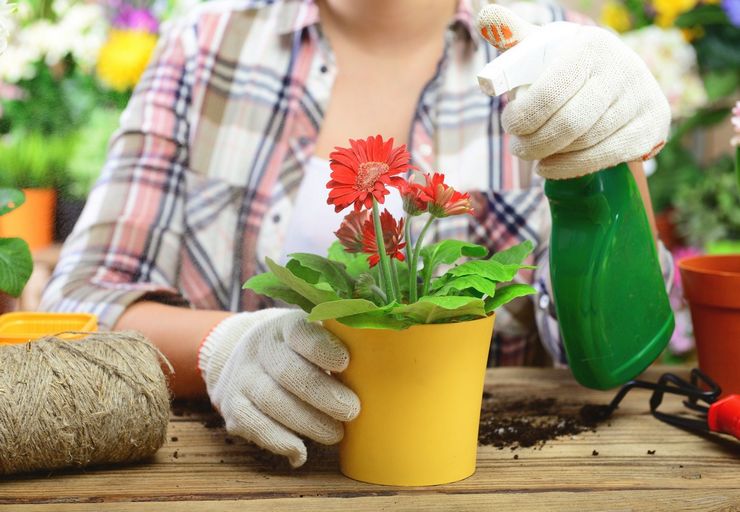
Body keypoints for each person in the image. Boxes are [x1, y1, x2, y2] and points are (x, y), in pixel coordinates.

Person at [41, 0, 671, 467]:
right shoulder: (203, 48)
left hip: (482, 475)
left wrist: (613, 159)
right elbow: (79, 302)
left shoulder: (559, 51)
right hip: (242, 473)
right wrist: (224, 348)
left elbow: (627, 352)